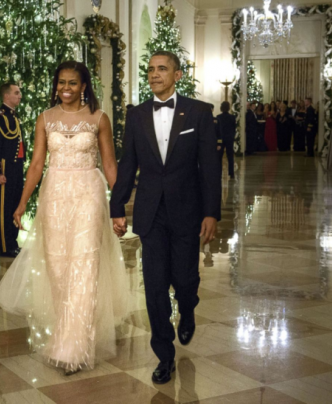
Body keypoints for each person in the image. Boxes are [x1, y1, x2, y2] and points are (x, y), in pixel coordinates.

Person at [0, 61, 131, 376]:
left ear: (84, 86)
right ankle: (67, 331)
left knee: (84, 266)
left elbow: (110, 165)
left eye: (72, 83)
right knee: (57, 268)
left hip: (88, 194)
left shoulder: (99, 118)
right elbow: (37, 163)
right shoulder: (45, 118)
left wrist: (118, 206)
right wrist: (21, 202)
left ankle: (75, 346)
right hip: (54, 196)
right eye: (61, 83)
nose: (65, 89)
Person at [110, 51, 221, 385]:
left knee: (185, 280)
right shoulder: (137, 115)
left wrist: (211, 213)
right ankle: (164, 354)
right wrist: (117, 207)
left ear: (178, 75)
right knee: (155, 286)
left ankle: (187, 308)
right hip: (151, 213)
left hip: (188, 211)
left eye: (162, 69)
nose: (155, 74)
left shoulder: (199, 112)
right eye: (151, 70)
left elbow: (210, 169)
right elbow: (127, 164)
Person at [0, 83, 26, 257]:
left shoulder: (14, 117)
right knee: (5, 208)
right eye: (16, 93)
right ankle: (5, 246)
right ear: (6, 96)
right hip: (5, 169)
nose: (20, 96)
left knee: (15, 205)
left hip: (16, 168)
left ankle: (13, 242)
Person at [217, 101, 237, 179]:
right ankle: (231, 173)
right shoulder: (232, 117)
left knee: (219, 157)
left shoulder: (218, 117)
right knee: (230, 156)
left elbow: (217, 129)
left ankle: (219, 172)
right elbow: (233, 128)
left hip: (221, 138)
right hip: (229, 138)